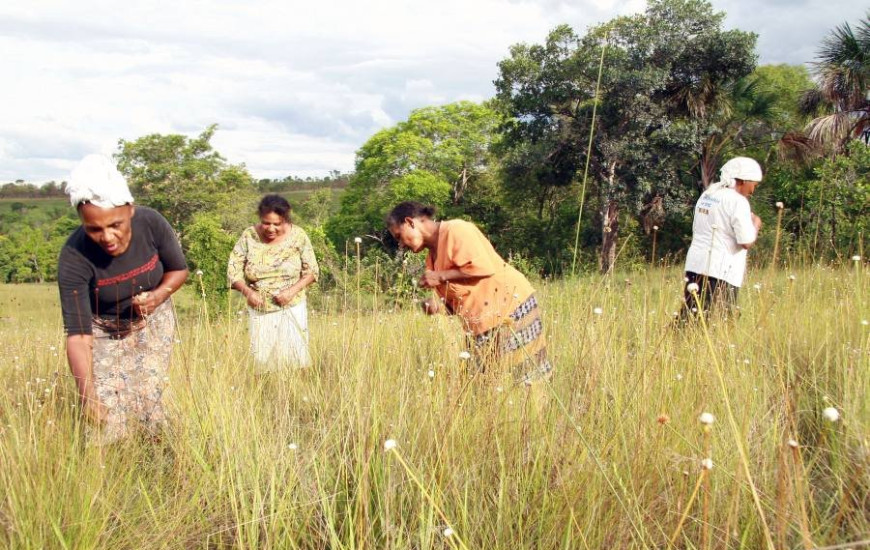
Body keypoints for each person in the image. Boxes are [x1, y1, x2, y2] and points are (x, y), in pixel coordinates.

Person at [58, 154, 189, 445]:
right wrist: (86, 396)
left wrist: (157, 296)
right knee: (106, 416)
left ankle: (157, 455)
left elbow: (179, 270)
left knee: (149, 395)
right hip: (105, 329)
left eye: (115, 224)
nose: (107, 236)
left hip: (153, 319)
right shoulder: (73, 258)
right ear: (82, 222)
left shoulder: (151, 223)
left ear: (130, 210)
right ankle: (108, 472)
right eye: (94, 229)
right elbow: (79, 337)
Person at [386, 201, 552, 386]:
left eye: (399, 236)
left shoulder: (457, 230)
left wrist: (440, 276)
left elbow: (483, 267)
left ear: (410, 222)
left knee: (527, 379)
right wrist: (437, 307)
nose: (401, 244)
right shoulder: (431, 259)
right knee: (480, 386)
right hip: (482, 323)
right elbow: (458, 297)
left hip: (510, 307)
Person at [227, 194, 319, 370]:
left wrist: (291, 292)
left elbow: (312, 272)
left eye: (277, 224)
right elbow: (233, 271)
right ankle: (266, 395)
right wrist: (249, 293)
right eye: (266, 223)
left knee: (296, 360)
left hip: (292, 307)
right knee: (263, 363)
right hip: (260, 309)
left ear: (285, 219)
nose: (270, 228)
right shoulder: (249, 236)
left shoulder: (298, 235)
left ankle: (298, 395)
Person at [683, 156, 763, 316]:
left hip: (695, 265)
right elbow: (746, 241)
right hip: (721, 271)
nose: (753, 190)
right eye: (753, 185)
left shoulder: (708, 195)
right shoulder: (738, 201)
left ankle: (674, 341)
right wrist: (755, 223)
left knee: (691, 317)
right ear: (742, 181)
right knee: (718, 321)